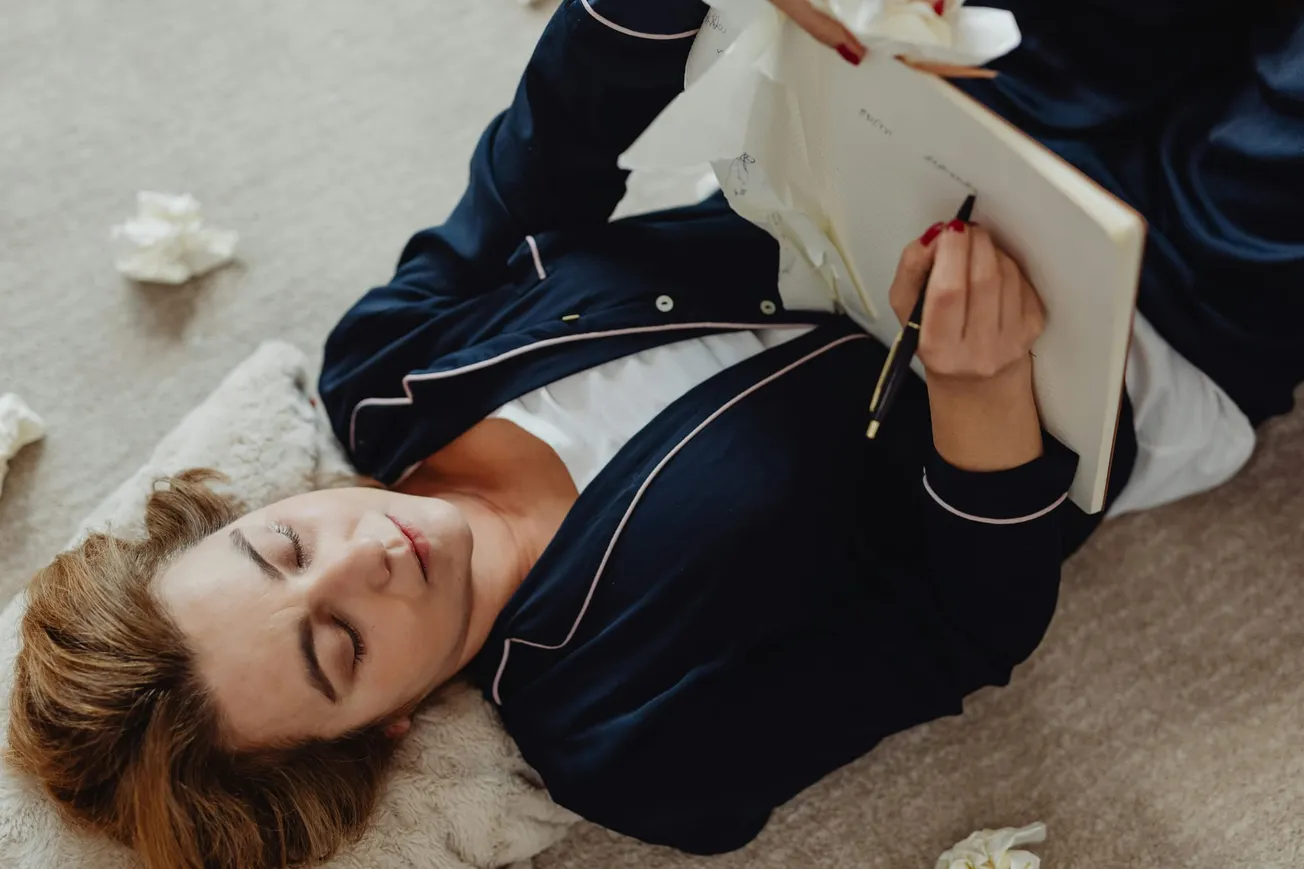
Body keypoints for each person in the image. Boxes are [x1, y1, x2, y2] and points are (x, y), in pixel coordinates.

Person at [8, 1, 1301, 868]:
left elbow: (547, 160)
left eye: (284, 548)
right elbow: (962, 629)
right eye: (339, 645)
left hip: (951, 131)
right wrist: (979, 390)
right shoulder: (632, 744)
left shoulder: (388, 374)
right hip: (1140, 341)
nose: (366, 557)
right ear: (388, 732)